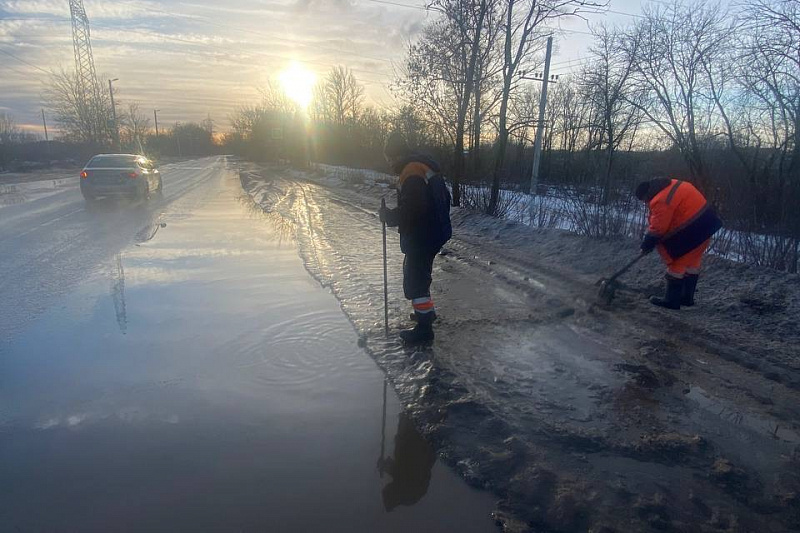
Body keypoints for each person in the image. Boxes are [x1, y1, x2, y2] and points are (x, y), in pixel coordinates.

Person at [379, 131, 452, 344]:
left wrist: (390, 216)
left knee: (415, 279)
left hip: (424, 233)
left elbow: (414, 208)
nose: (389, 161)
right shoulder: (421, 166)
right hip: (434, 230)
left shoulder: (411, 171)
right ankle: (426, 312)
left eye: (388, 157)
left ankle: (424, 329)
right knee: (419, 274)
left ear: (394, 155)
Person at [635, 177, 722, 310]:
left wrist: (646, 245)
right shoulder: (673, 185)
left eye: (645, 201)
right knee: (692, 263)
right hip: (707, 227)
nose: (647, 203)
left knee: (678, 263)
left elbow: (658, 228)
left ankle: (671, 301)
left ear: (647, 195)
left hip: (694, 232)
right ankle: (686, 298)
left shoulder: (660, 200)